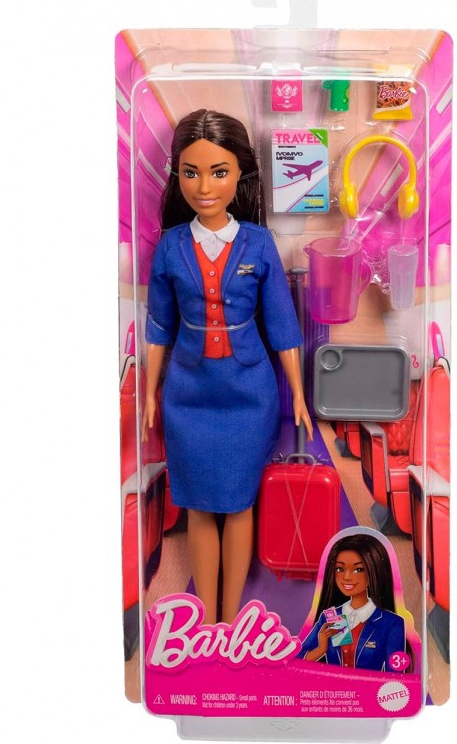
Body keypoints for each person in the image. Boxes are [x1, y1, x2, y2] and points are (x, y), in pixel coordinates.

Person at [141, 110, 313, 625]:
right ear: (177, 175)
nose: (204, 186)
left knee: (239, 504)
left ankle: (229, 621)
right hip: (188, 393)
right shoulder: (172, 246)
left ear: (240, 173)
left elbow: (282, 324)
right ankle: (208, 621)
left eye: (218, 172)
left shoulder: (258, 243)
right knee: (197, 504)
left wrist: (298, 393)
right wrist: (149, 392)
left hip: (248, 392)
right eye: (190, 172)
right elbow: (159, 326)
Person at [298, 533, 408, 671]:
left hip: (369, 685)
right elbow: (297, 660)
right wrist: (321, 650)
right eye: (340, 569)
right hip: (331, 685)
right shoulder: (330, 617)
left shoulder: (391, 623)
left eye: (358, 570)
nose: (347, 577)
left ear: (374, 572)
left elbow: (396, 676)